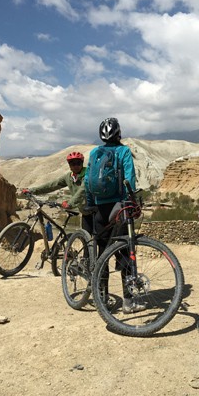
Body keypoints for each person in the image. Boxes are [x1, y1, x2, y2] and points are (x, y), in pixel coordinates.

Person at [85, 117, 140, 313]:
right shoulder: (124, 151)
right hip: (119, 207)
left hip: (99, 209)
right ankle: (128, 301)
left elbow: (87, 182)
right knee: (124, 253)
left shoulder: (94, 153)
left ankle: (103, 298)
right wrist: (131, 203)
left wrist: (91, 205)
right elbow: (129, 179)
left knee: (103, 254)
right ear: (119, 134)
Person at [22, 151, 93, 233]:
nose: (76, 166)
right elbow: (52, 185)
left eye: (78, 163)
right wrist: (32, 190)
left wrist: (70, 203)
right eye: (73, 164)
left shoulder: (87, 174)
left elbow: (82, 191)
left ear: (82, 163)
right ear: (69, 165)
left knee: (100, 239)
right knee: (86, 238)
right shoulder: (69, 177)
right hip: (85, 212)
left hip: (94, 209)